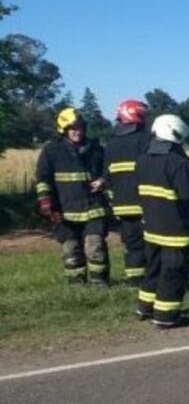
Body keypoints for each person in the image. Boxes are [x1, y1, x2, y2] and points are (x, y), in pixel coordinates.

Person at [136, 114, 189, 327]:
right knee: (174, 272)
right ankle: (165, 316)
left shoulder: (143, 158)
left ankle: (144, 308)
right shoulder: (176, 162)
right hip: (175, 229)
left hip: (152, 226)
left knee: (154, 268)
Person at [35, 107, 110, 285]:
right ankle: (76, 285)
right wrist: (46, 202)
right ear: (64, 129)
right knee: (71, 249)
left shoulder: (96, 149)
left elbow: (110, 172)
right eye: (73, 128)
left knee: (95, 245)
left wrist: (103, 181)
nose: (78, 132)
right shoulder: (51, 151)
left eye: (80, 128)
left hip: (94, 207)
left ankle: (100, 282)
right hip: (64, 209)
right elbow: (43, 179)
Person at [104, 99, 152, 287]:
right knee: (151, 241)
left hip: (122, 205)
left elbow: (106, 176)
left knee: (131, 243)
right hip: (146, 202)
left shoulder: (111, 144)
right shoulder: (145, 139)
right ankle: (153, 276)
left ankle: (134, 279)